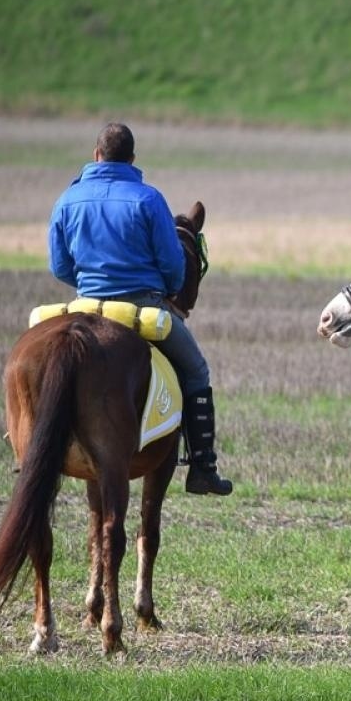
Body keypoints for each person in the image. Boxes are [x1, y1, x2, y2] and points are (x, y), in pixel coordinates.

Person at [49, 122, 231, 495]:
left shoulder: (67, 200)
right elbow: (172, 266)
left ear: (96, 154)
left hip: (84, 304)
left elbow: (59, 265)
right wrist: (161, 288)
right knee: (196, 369)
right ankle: (202, 466)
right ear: (132, 158)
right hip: (141, 305)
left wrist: (89, 284)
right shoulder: (148, 200)